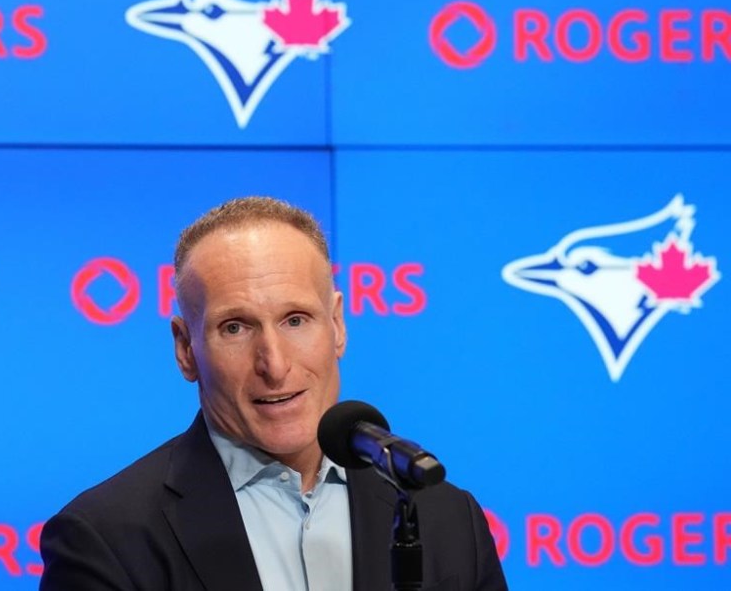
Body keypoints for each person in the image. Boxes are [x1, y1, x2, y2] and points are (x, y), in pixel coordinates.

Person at [39, 196, 508, 591]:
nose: (275, 364)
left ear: (338, 325)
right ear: (185, 349)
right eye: (236, 327)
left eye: (296, 320)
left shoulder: (447, 519)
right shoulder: (106, 537)